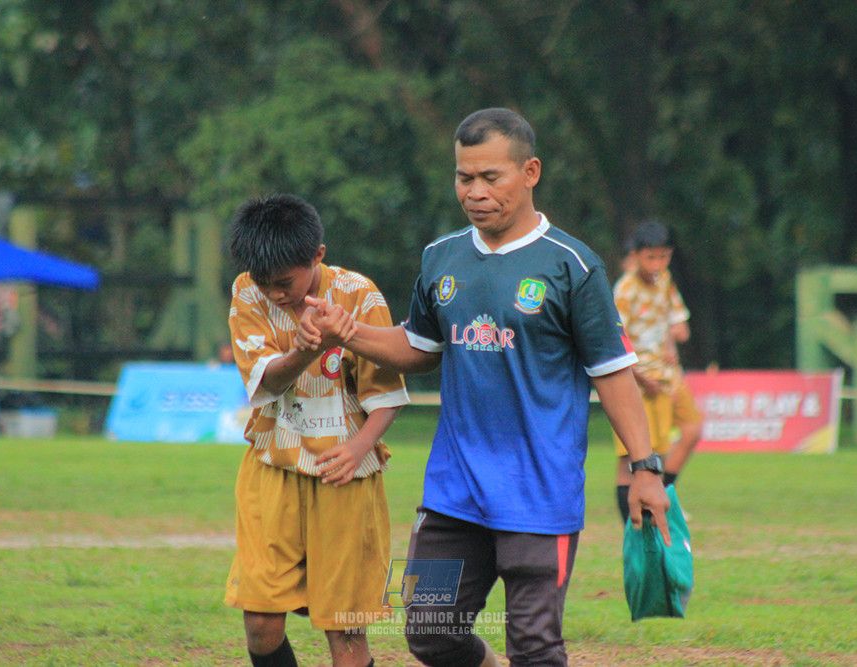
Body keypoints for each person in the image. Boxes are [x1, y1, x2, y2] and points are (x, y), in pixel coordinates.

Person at [298, 108, 670, 667]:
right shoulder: (440, 258)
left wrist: (645, 469)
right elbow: (418, 350)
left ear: (530, 172)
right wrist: (347, 333)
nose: (473, 191)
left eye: (489, 177)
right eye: (463, 177)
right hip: (455, 493)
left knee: (536, 648)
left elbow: (612, 374)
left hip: (539, 496)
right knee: (429, 630)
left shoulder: (574, 267)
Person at [223, 194, 409, 667]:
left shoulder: (360, 295)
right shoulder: (247, 293)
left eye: (284, 282)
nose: (275, 294)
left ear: (317, 256)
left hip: (343, 476)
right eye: (265, 283)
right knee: (261, 623)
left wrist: (360, 446)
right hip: (272, 470)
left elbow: (386, 392)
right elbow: (265, 379)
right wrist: (308, 347)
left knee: (345, 634)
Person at [612, 220, 704, 524]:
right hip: (641, 381)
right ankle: (632, 524)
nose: (657, 264)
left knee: (679, 437)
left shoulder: (665, 280)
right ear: (636, 255)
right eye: (651, 257)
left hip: (665, 377)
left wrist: (671, 342)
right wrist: (640, 377)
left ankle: (660, 500)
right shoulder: (624, 291)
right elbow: (616, 342)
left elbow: (675, 323)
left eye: (663, 257)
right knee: (633, 454)